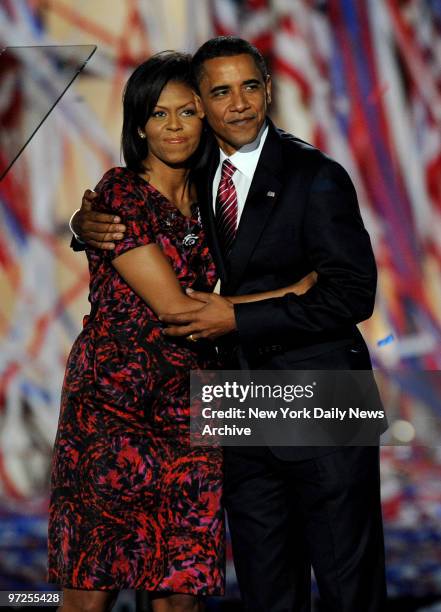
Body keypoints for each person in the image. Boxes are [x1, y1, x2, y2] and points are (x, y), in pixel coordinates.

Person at [71, 38, 387, 612]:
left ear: (269, 91)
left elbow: (353, 293)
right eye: (219, 92)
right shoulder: (196, 173)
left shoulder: (316, 174)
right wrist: (83, 221)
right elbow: (140, 211)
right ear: (202, 102)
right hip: (233, 400)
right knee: (267, 587)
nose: (238, 104)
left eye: (250, 87)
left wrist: (236, 314)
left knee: (348, 584)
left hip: (320, 393)